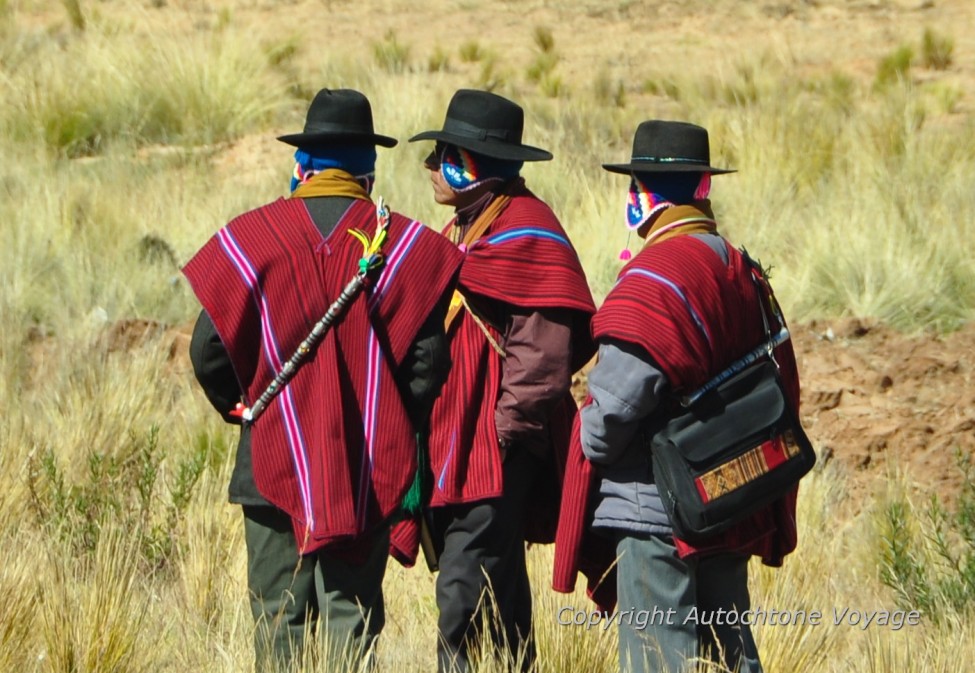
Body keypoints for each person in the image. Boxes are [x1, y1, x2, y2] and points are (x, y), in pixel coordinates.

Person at [183, 88, 463, 672]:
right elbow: (428, 364)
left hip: (269, 460)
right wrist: (386, 418)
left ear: (303, 164)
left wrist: (247, 409)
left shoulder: (254, 238)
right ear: (368, 171)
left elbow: (208, 351)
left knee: (278, 616)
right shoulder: (403, 247)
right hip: (367, 465)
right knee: (350, 620)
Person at [553, 120, 802, 673]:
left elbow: (610, 415)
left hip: (656, 510)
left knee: (658, 659)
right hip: (727, 494)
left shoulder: (656, 276)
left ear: (642, 196)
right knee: (729, 654)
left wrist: (589, 434)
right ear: (702, 188)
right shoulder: (738, 266)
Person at [397, 89, 596, 672]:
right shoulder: (471, 227)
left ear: (474, 166)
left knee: (463, 586)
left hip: (491, 450)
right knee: (497, 583)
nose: (431, 166)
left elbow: (543, 356)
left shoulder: (527, 233)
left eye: (444, 157)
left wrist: (502, 436)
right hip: (461, 445)